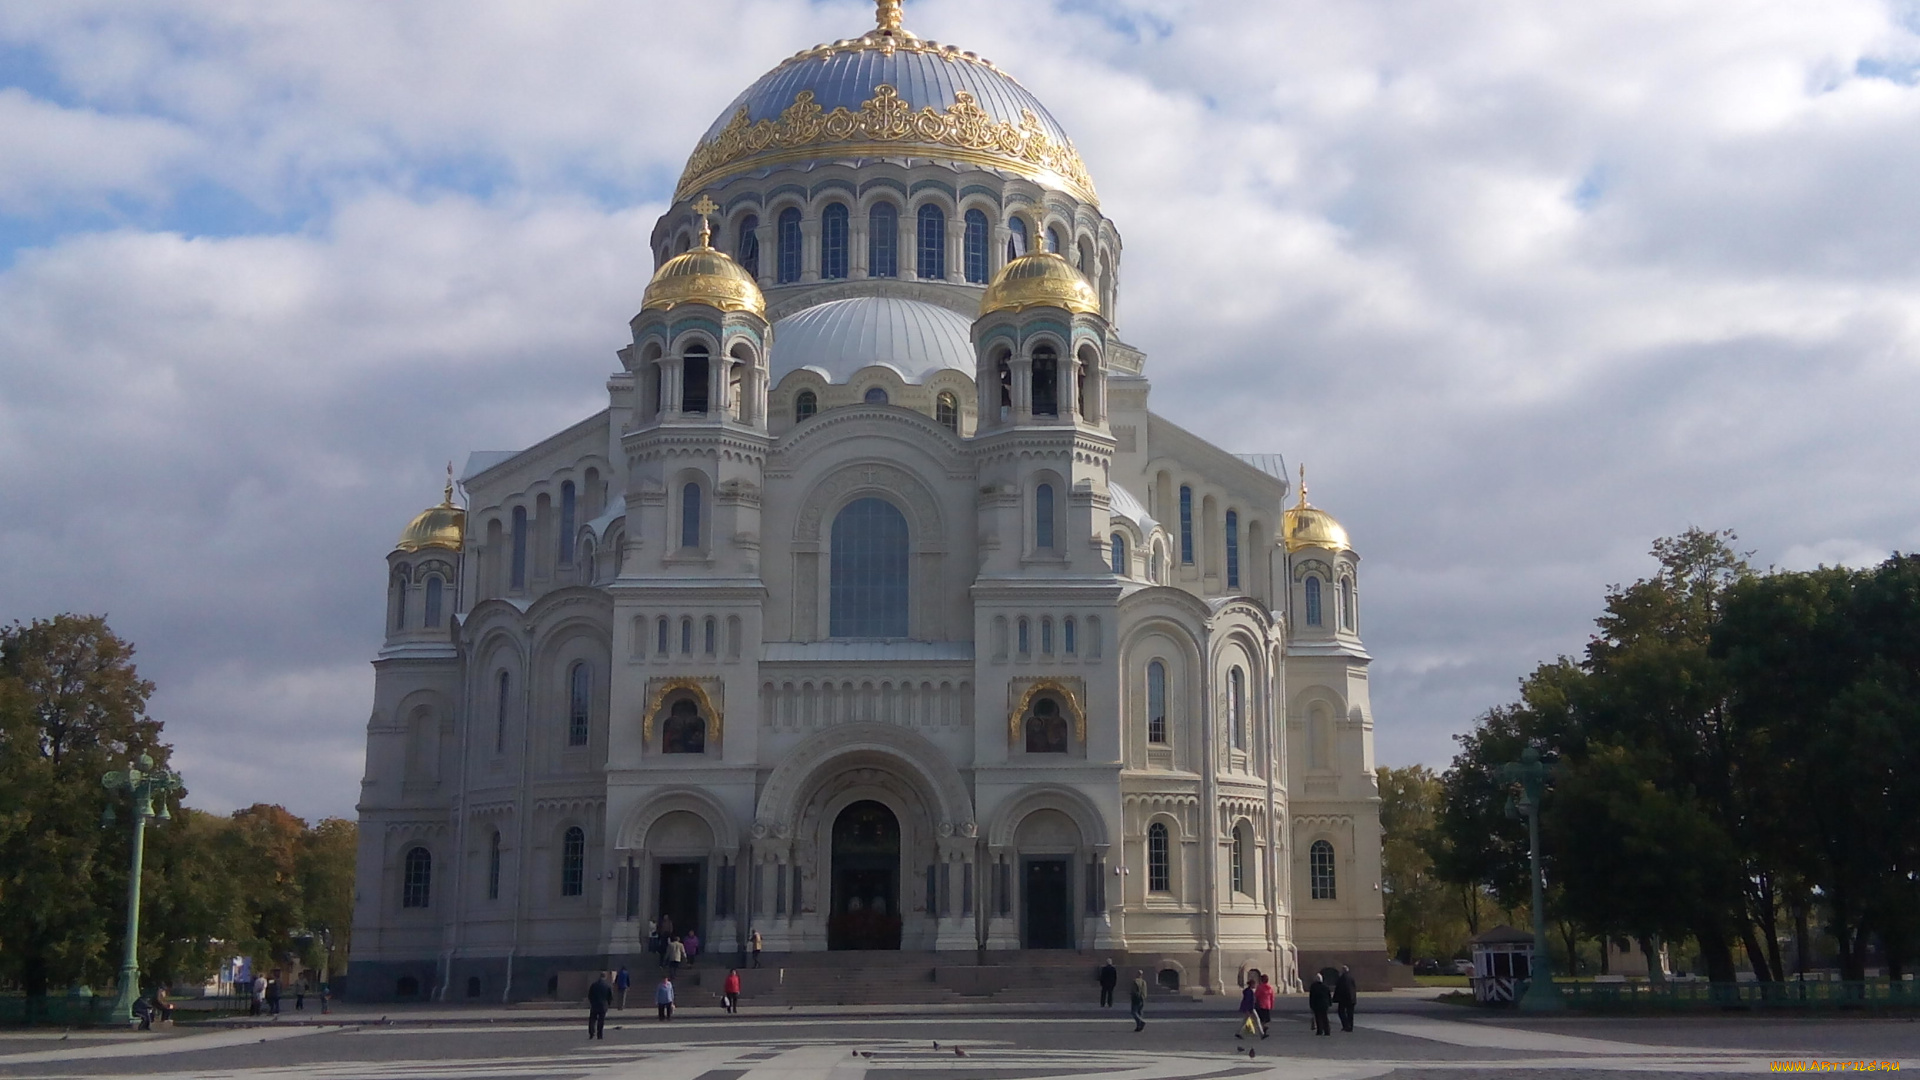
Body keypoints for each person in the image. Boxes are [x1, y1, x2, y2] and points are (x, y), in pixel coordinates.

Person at [587, 971, 612, 1039]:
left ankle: (591, 1033)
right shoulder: (607, 985)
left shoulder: (594, 985)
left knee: (592, 1020)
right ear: (605, 977)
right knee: (601, 1020)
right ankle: (599, 1034)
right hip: (603, 1006)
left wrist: (592, 1002)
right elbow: (610, 997)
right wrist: (608, 1004)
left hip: (594, 1005)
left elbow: (590, 995)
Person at [1334, 965, 1358, 1032]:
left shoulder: (1341, 978)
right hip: (1352, 999)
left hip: (1344, 999)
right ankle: (1350, 1026)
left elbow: (1338, 989)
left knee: (1341, 1011)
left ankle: (1346, 1025)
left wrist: (1335, 999)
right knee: (1350, 1013)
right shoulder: (1351, 978)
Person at [1254, 973, 1275, 1039]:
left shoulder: (1260, 987)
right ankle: (1264, 1027)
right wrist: (1271, 1005)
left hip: (1261, 1004)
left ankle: (1263, 1028)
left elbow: (1256, 995)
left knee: (1260, 1018)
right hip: (1267, 1004)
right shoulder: (1270, 988)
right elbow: (1272, 997)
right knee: (1265, 1018)